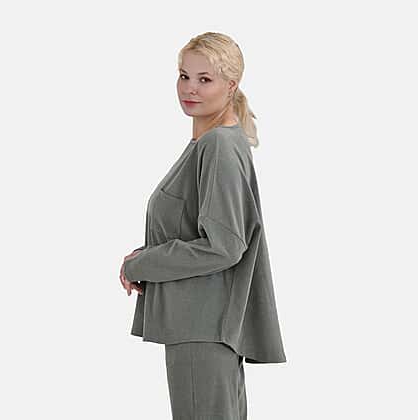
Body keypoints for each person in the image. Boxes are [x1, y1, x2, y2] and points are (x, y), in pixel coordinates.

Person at [119, 31, 287, 420]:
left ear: (231, 85)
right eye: (184, 76)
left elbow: (225, 245)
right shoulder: (211, 143)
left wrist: (141, 265)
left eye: (204, 79)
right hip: (201, 325)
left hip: (201, 326)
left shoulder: (219, 146)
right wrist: (146, 257)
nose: (189, 88)